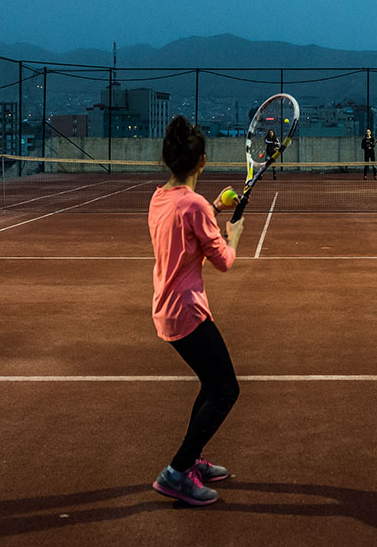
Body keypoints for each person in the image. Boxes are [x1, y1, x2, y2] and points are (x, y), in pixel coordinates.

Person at [148, 115, 244, 506]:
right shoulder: (196, 205)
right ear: (202, 162)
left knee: (210, 383)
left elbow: (186, 234)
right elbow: (223, 261)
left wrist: (217, 210)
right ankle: (177, 471)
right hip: (187, 312)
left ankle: (191, 461)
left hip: (167, 307)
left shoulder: (160, 197)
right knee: (226, 389)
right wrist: (232, 234)